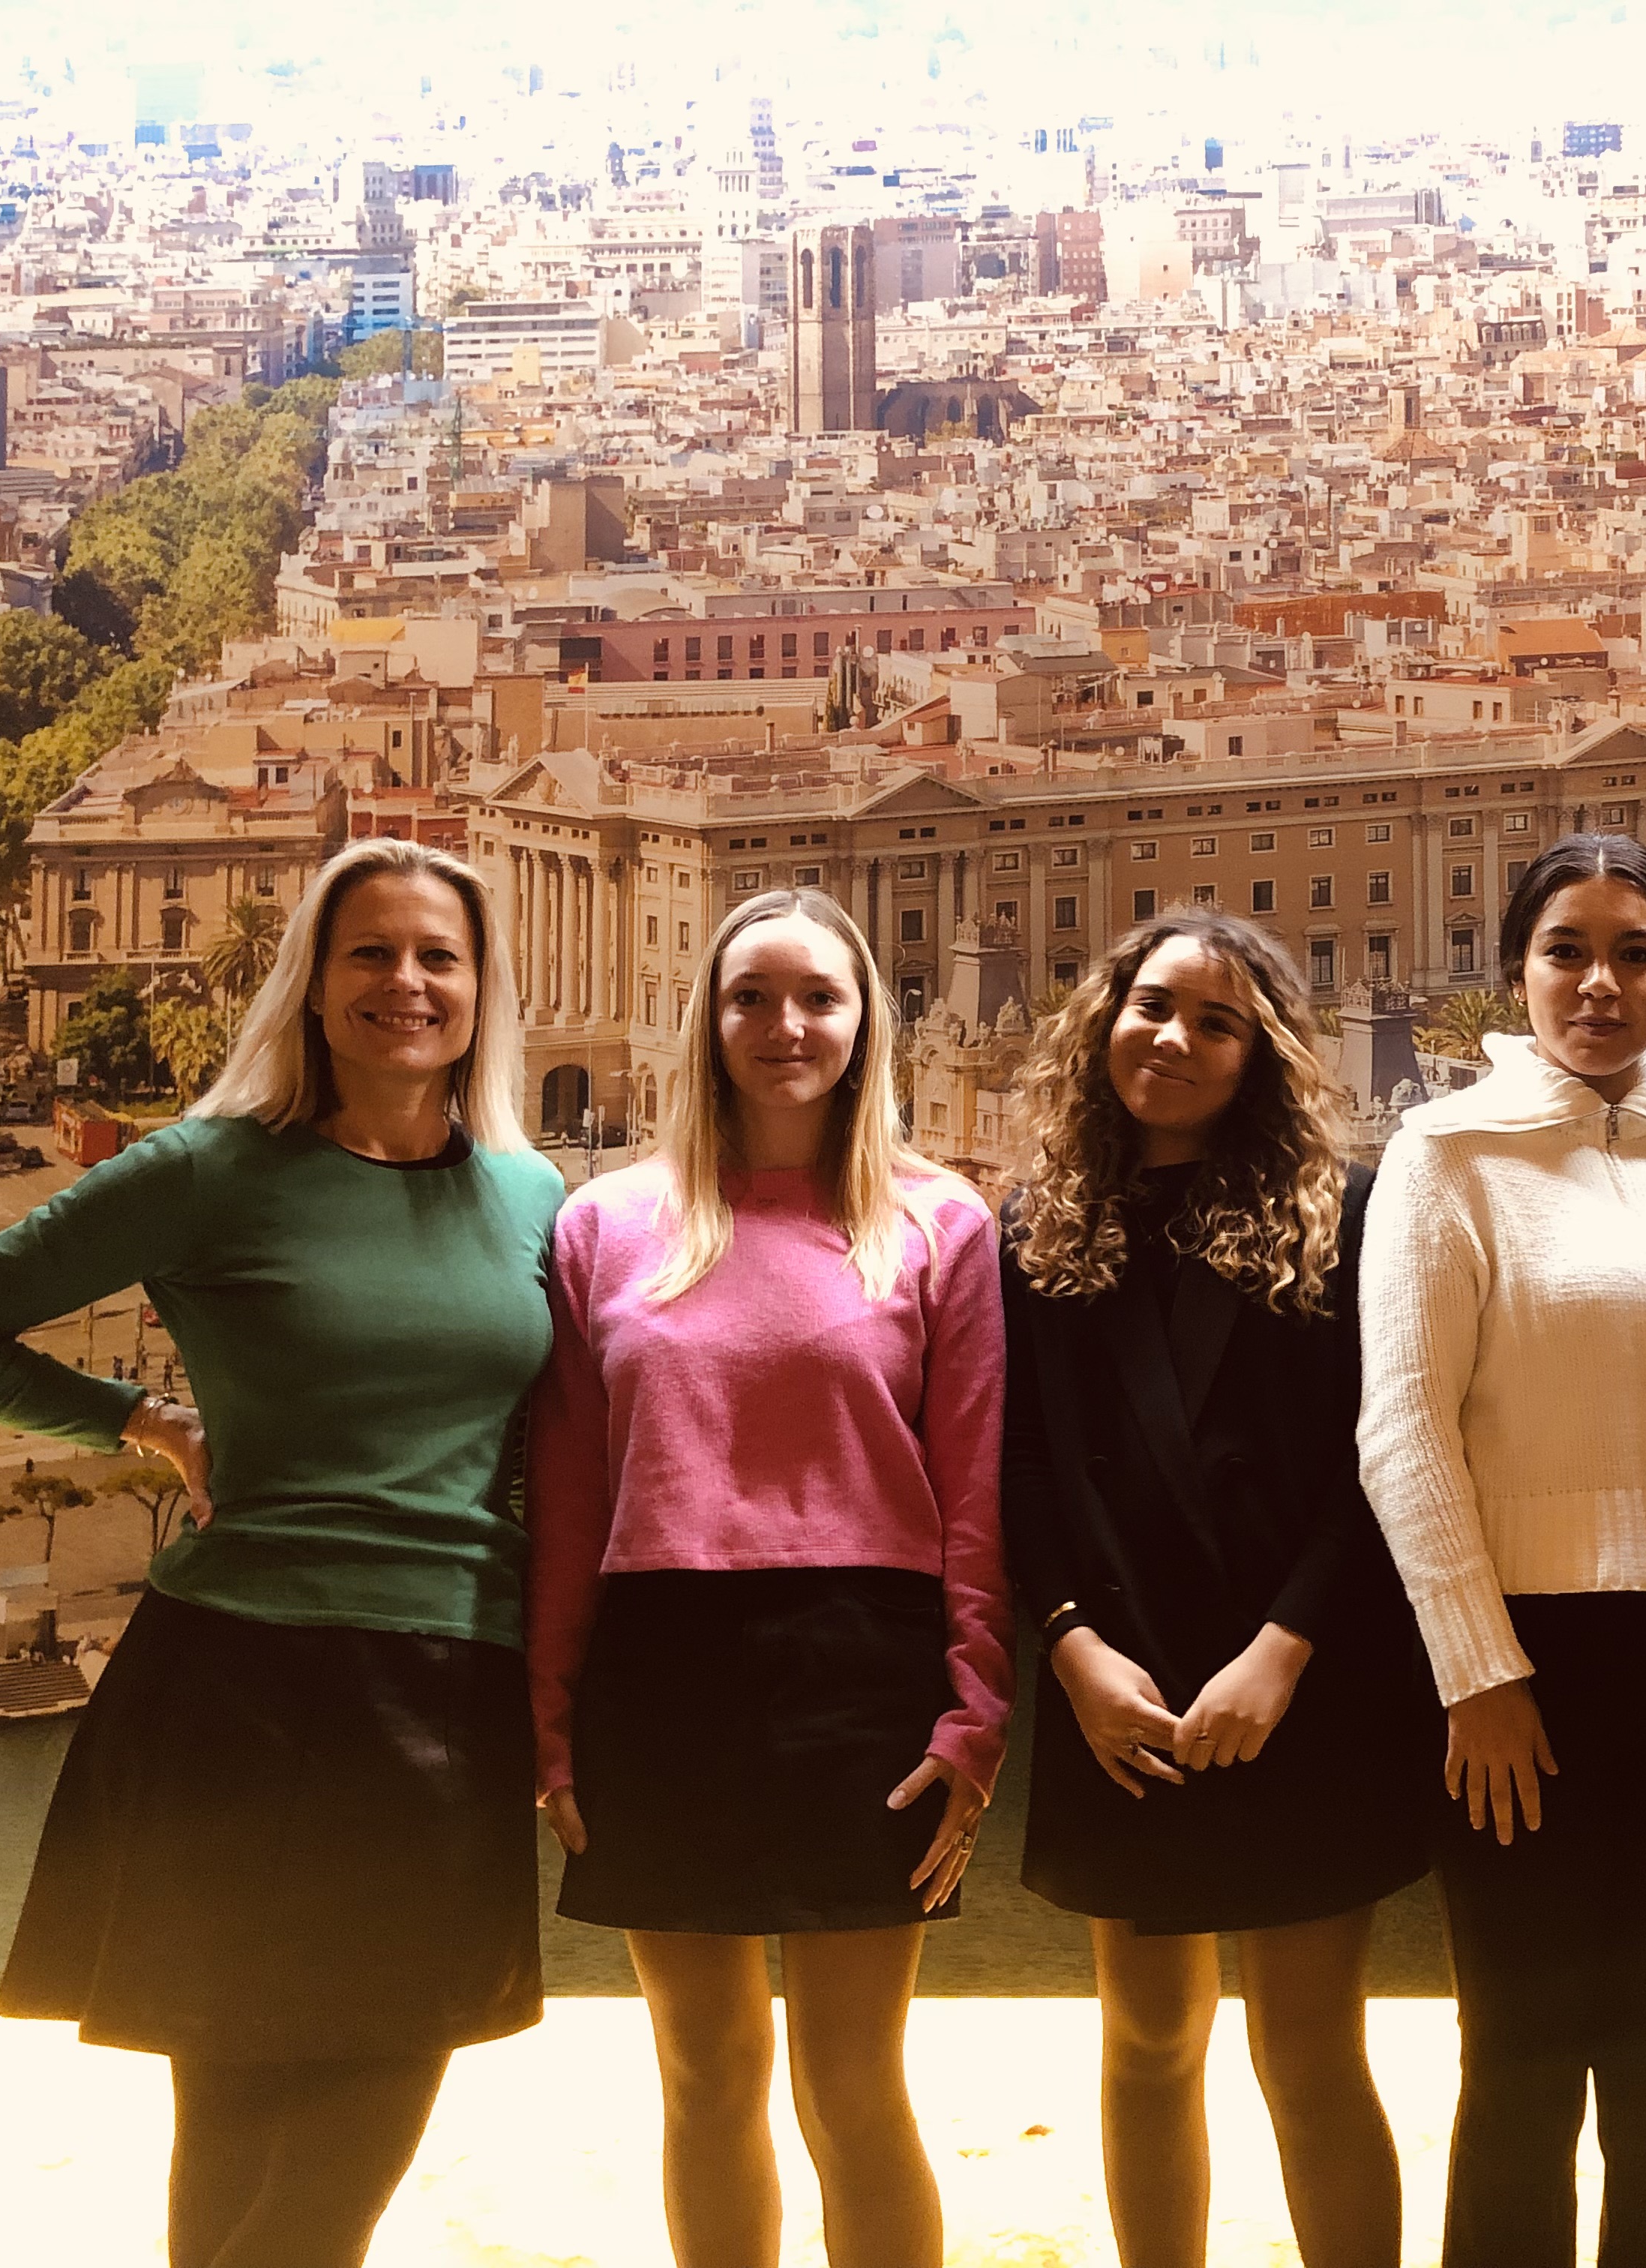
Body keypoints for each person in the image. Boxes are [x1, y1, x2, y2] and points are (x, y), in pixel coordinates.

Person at [0, 839, 562, 2268]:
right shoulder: (210, 1168)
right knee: (245, 2154)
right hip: (235, 1688)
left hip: (451, 1689)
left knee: (341, 2152)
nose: (405, 983)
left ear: (483, 990)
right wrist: (143, 1421)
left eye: (439, 956)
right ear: (311, 982)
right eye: (371, 951)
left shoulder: (536, 1198)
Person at [526, 889, 1012, 2268]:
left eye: (817, 997)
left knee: (853, 2088)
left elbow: (975, 1495)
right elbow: (570, 1494)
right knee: (704, 2079)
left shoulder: (942, 1222)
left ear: (864, 1024)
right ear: (708, 1017)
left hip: (866, 1667)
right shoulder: (604, 1223)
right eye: (751, 996)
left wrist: (978, 1711)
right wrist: (549, 1719)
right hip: (659, 1666)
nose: (784, 1025)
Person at [1360, 835, 1646, 2268]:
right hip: (1526, 1665)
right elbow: (1403, 1431)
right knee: (1525, 2060)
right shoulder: (1444, 1153)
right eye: (1567, 951)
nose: (1600, 983)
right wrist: (1479, 1673)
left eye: (1635, 953)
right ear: (1518, 972)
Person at [1000, 904, 1432, 2268]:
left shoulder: (1352, 1213)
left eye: (1216, 1022)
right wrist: (1071, 1648)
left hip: (1303, 1681)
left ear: (1265, 1055)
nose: (1174, 1039)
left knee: (1309, 2048)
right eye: (1152, 1007)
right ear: (1105, 1021)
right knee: (1145, 2040)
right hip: (1118, 1688)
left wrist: (1285, 1645)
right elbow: (1019, 1464)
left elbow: (1386, 1453)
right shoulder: (1034, 1227)